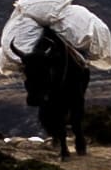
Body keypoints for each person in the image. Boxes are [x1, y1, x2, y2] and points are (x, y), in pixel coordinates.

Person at [20, 25, 92, 156]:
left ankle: (77, 136)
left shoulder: (62, 47)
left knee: (80, 64)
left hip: (73, 76)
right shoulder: (39, 43)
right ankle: (62, 142)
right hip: (46, 80)